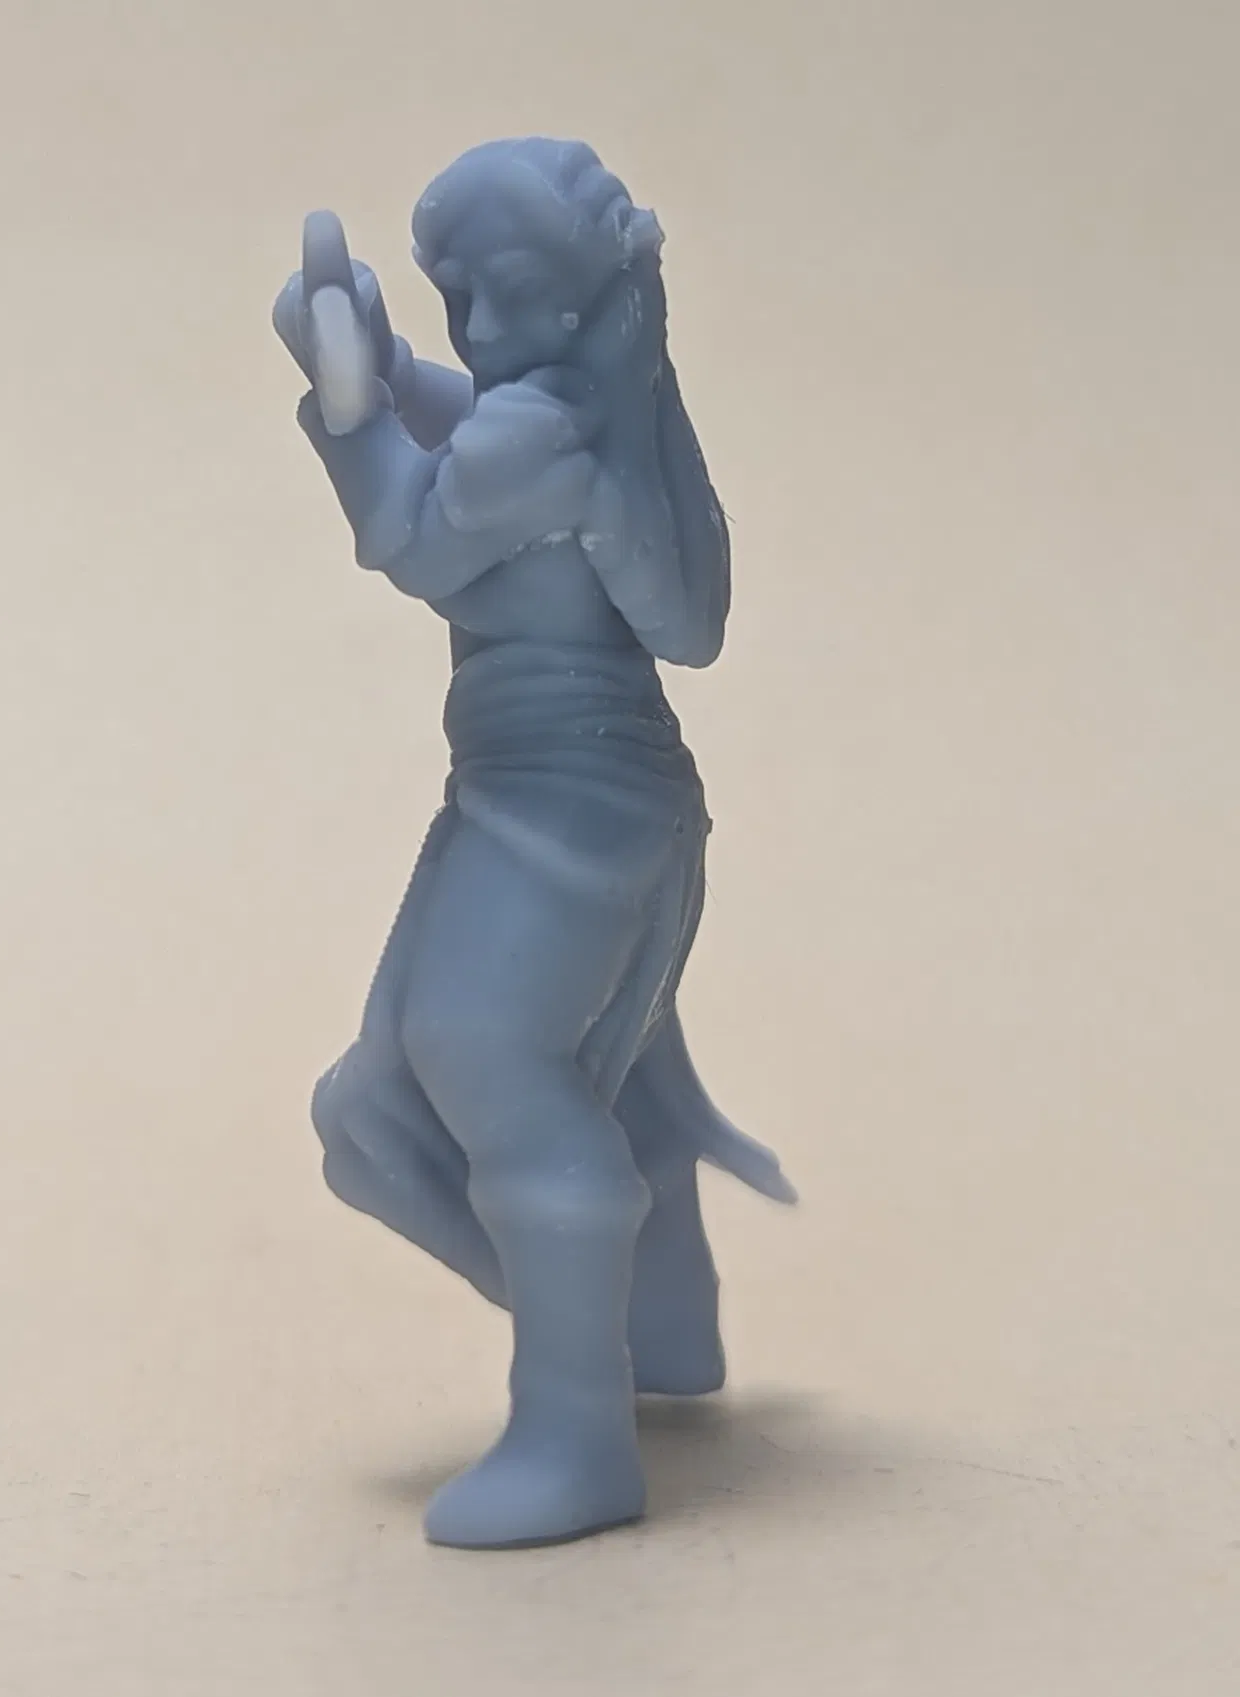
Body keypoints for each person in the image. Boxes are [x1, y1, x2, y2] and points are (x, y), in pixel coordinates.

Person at [274, 138, 795, 1550]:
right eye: (459, 294)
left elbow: (412, 537)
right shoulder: (590, 406)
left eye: (511, 290)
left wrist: (344, 409)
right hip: (572, 798)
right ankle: (657, 1325)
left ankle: (577, 1425)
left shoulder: (544, 432)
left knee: (476, 1062)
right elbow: (476, 422)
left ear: (585, 290)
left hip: (563, 807)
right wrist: (384, 364)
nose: (483, 324)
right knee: (402, 1106)